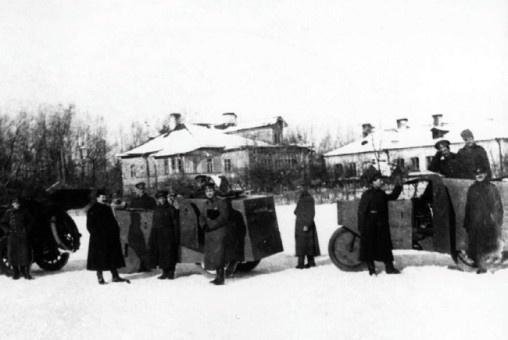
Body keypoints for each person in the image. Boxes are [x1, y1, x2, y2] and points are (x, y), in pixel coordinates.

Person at [357, 170, 403, 275]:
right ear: (373, 182)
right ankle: (371, 268)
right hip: (370, 224)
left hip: (381, 224)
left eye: (380, 179)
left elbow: (392, 197)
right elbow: (361, 211)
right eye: (378, 180)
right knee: (369, 246)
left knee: (385, 246)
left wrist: (398, 187)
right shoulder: (366, 195)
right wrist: (361, 227)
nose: (380, 181)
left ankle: (389, 268)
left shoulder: (381, 193)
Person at [463, 165, 504, 273]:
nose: (479, 176)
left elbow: (498, 206)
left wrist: (496, 221)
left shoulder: (491, 188)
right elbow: (469, 206)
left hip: (487, 222)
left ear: (485, 174)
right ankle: (479, 265)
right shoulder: (472, 189)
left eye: (481, 174)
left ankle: (486, 268)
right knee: (475, 244)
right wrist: (467, 222)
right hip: (474, 222)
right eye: (477, 174)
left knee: (487, 245)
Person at [87, 190, 129, 284]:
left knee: (112, 257)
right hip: (98, 239)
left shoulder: (107, 208)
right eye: (102, 197)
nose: (104, 198)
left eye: (105, 197)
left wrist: (115, 231)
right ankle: (100, 277)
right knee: (99, 259)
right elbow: (90, 226)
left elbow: (112, 222)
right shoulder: (92, 209)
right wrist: (97, 235)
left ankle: (115, 276)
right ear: (97, 198)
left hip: (110, 237)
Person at [199, 183, 230, 285]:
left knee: (219, 255)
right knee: (214, 255)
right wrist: (203, 225)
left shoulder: (221, 202)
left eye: (211, 191)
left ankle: (220, 278)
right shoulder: (205, 204)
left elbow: (224, 217)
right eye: (207, 192)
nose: (209, 193)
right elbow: (202, 216)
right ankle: (218, 276)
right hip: (210, 234)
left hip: (219, 232)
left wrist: (211, 226)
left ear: (214, 191)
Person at [0, 197, 34, 280]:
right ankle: (16, 272)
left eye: (17, 203)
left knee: (24, 254)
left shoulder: (24, 212)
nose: (16, 205)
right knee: (13, 254)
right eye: (15, 203)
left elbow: (31, 221)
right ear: (12, 204)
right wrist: (8, 231)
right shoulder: (8, 212)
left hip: (23, 236)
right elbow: (3, 223)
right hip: (13, 236)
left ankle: (25, 272)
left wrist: (26, 230)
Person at [149, 191, 179, 279]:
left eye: (163, 198)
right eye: (160, 198)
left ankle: (171, 272)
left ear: (166, 198)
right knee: (161, 253)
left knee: (170, 253)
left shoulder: (171, 208)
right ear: (157, 199)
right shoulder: (156, 209)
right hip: (159, 234)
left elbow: (175, 223)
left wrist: (175, 235)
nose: (161, 200)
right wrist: (153, 235)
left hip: (169, 233)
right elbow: (154, 223)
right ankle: (164, 272)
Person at [128, 181, 156, 271]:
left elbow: (154, 212)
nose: (141, 191)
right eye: (139, 189)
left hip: (146, 225)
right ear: (136, 190)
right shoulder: (134, 200)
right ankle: (142, 263)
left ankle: (146, 265)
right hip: (135, 225)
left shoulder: (150, 200)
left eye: (142, 189)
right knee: (137, 244)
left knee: (146, 244)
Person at [294, 188, 320, 269]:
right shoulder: (304, 199)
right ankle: (311, 262)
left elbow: (310, 213)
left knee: (303, 244)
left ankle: (301, 264)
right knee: (308, 245)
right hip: (302, 224)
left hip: (304, 225)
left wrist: (307, 225)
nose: (297, 193)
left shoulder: (307, 200)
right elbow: (296, 211)